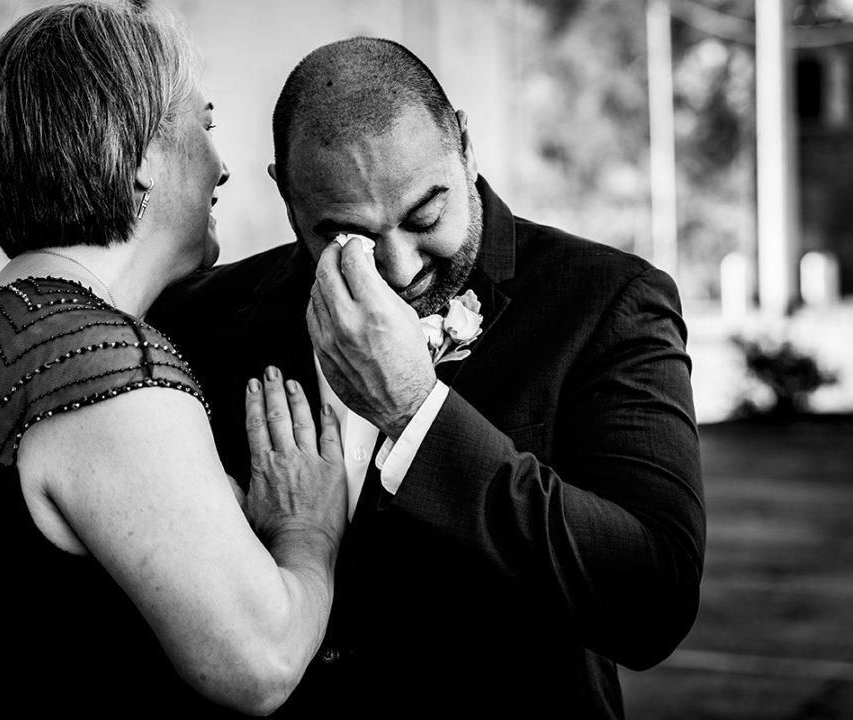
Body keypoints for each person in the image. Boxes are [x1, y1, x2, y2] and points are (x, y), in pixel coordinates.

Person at [150, 37, 706, 718]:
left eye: (425, 215)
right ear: (288, 197)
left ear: (464, 145)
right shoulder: (199, 317)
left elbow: (652, 602)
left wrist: (417, 411)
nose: (403, 267)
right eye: (346, 235)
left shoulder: (606, 303)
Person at [0, 4, 347, 718]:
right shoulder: (102, 366)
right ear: (139, 156)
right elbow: (262, 663)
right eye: (206, 124)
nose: (222, 167)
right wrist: (306, 531)